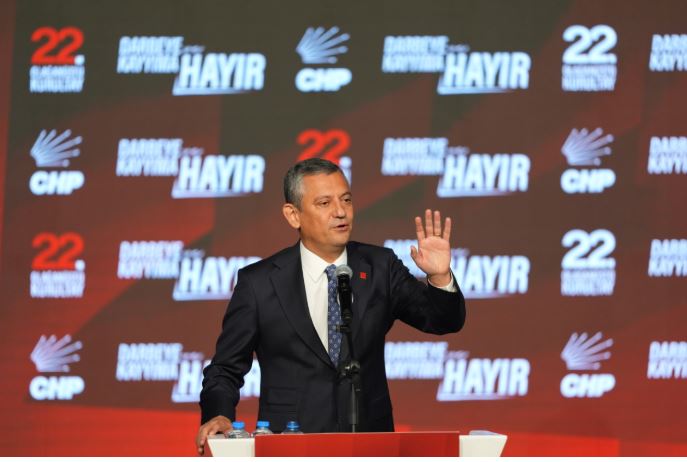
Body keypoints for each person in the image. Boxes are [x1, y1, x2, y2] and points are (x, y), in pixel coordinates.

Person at [196, 158, 465, 454]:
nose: (340, 211)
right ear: (293, 215)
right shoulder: (259, 283)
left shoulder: (380, 267)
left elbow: (443, 321)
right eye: (324, 203)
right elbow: (224, 369)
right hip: (290, 447)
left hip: (370, 446)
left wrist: (439, 277)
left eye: (346, 200)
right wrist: (218, 414)